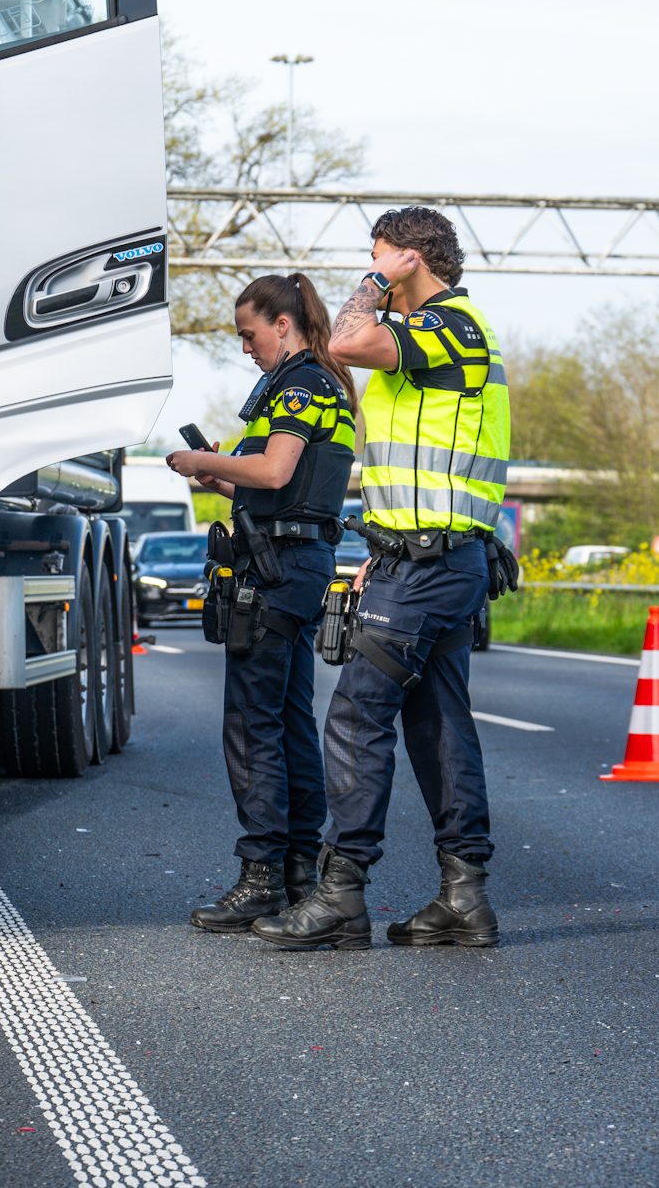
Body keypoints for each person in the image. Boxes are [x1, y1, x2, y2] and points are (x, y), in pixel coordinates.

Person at [251, 207, 509, 952]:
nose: (370, 270)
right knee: (437, 723)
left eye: (379, 254)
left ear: (409, 258)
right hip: (420, 557)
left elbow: (343, 339)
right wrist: (388, 543)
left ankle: (341, 892)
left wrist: (374, 280)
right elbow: (427, 459)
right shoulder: (428, 339)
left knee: (356, 717)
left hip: (433, 565)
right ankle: (464, 898)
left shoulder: (449, 326)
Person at [165, 274, 358, 933]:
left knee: (253, 727)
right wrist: (221, 476)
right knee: (287, 720)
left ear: (283, 323)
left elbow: (274, 472)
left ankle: (262, 877)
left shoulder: (301, 384)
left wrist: (194, 460)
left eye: (249, 333)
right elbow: (281, 488)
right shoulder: (313, 384)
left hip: (277, 571)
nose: (246, 347)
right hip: (296, 562)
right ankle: (300, 870)